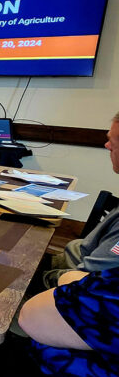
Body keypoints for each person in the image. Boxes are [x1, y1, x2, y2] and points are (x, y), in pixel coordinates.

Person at [41, 113, 119, 287]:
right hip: (74, 256)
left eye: (112, 142)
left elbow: (87, 280)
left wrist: (45, 278)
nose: (107, 146)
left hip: (71, 280)